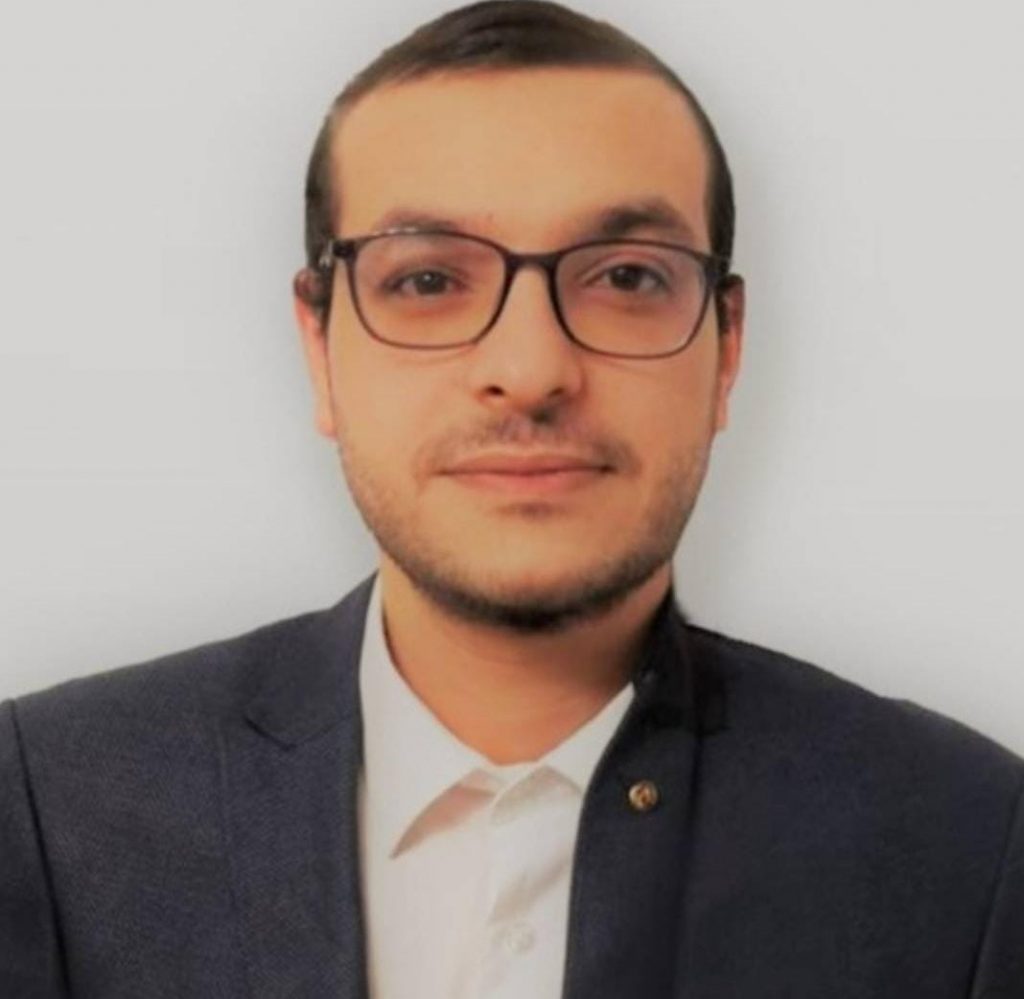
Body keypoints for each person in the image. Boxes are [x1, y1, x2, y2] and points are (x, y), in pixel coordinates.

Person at [2, 1, 1022, 996]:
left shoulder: (968, 847)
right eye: (427, 281)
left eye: (626, 277)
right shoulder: (47, 808)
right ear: (318, 348)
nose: (530, 370)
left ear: (726, 352)